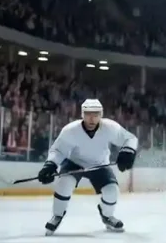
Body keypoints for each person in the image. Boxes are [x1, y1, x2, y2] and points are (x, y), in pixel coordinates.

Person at [37, 99, 138, 235]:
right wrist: (50, 164)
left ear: (101, 115)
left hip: (100, 164)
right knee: (64, 184)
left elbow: (130, 139)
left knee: (112, 191)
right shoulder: (70, 130)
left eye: (95, 114)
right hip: (74, 163)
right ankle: (57, 215)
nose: (92, 118)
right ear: (82, 114)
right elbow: (58, 151)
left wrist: (128, 151)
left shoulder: (109, 127)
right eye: (88, 114)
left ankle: (107, 215)